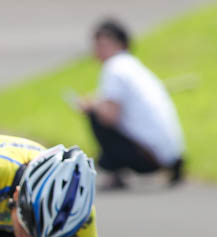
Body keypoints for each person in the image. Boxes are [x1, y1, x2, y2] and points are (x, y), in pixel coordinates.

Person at [76, 19, 185, 188]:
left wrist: (91, 106)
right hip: (169, 154)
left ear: (120, 44)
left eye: (103, 45)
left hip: (150, 157)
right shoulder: (133, 66)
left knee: (95, 116)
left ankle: (115, 170)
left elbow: (109, 116)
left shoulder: (115, 68)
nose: (97, 51)